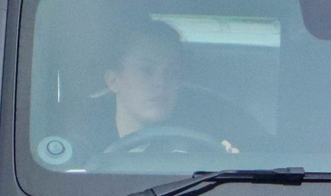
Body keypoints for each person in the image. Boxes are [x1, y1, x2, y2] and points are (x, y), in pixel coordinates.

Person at [77, 19, 260, 167]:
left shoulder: (213, 131)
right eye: (146, 70)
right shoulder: (83, 141)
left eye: (172, 72)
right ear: (113, 81)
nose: (161, 83)